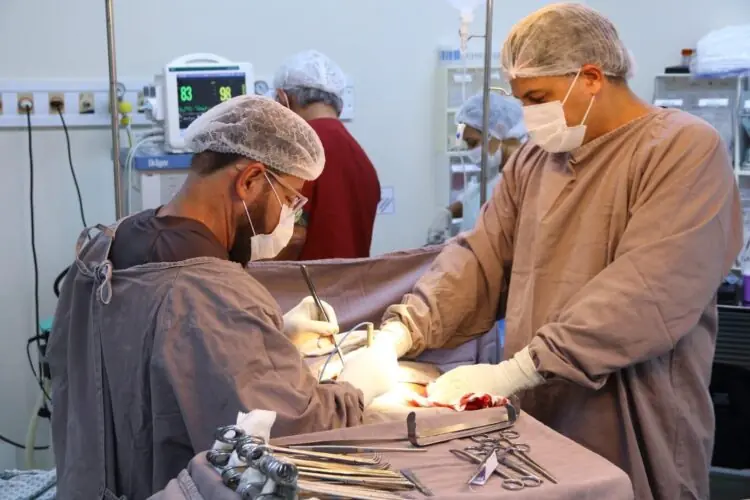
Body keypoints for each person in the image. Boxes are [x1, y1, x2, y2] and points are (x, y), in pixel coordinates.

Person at [373, 4, 743, 499]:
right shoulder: (534, 161)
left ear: (591, 77)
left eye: (538, 98)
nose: (529, 116)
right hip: (538, 413)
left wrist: (519, 370)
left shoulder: (683, 149)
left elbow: (647, 291)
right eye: (522, 100)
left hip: (633, 414)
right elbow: (478, 259)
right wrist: (401, 333)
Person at [46, 95, 398, 500]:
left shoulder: (100, 248)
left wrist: (272, 337)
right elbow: (290, 436)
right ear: (249, 181)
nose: (290, 218)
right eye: (290, 201)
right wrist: (356, 389)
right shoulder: (217, 295)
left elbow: (142, 358)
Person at [271, 50, 381, 260]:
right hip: (355, 280)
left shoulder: (298, 152)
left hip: (305, 280)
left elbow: (292, 238)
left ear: (284, 100)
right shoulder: (361, 160)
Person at [427, 93, 527, 244]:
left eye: (473, 143)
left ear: (498, 131)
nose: (470, 151)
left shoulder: (522, 175)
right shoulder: (495, 170)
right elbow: (475, 198)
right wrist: (448, 212)